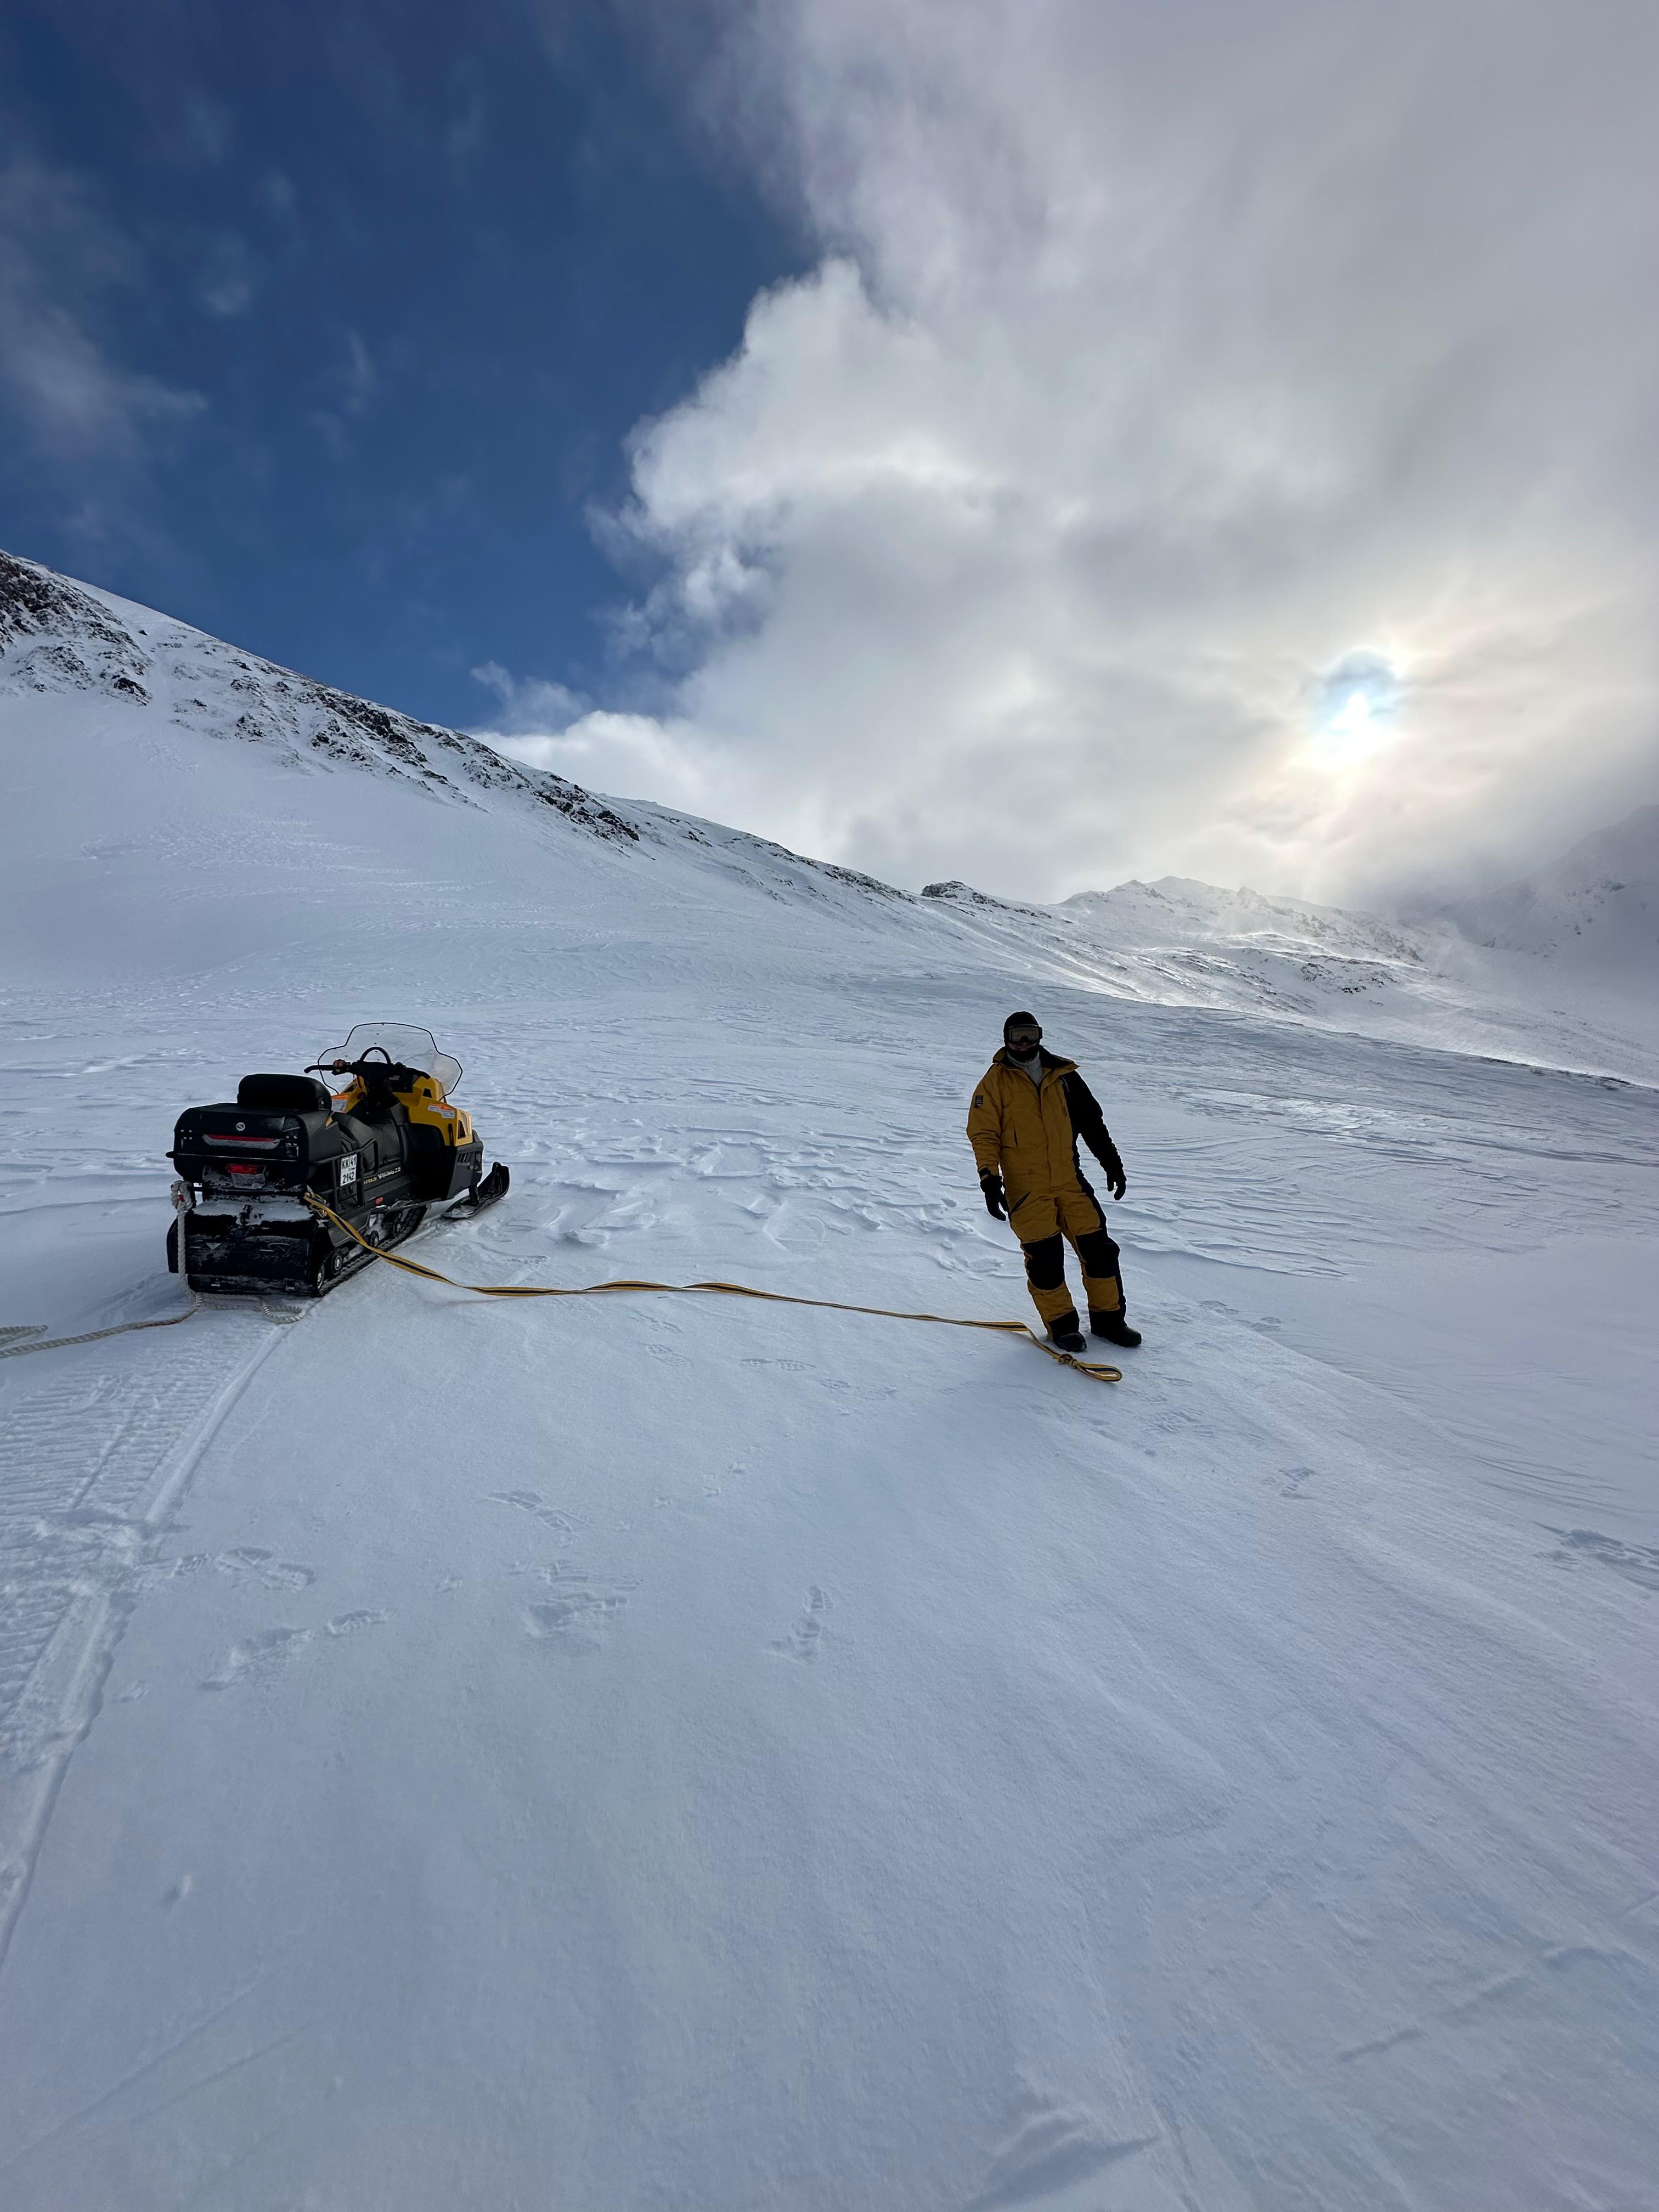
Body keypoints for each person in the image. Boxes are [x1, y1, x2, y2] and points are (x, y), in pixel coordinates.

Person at [967, 1011, 1141, 1353]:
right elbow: (984, 1134)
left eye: (1030, 1035)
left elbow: (1092, 1124)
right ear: (1006, 1039)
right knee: (1045, 1260)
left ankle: (1108, 1321)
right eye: (1017, 1036)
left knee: (1100, 1252)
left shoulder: (1064, 1077)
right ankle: (1062, 1326)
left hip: (1070, 1182)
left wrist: (1112, 1164)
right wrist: (990, 1179)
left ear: (1041, 1036)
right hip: (1026, 1189)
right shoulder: (994, 1083)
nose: (1024, 1043)